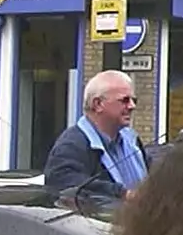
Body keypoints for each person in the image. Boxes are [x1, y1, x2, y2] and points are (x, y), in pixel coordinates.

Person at [45, 69, 148, 209]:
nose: (132, 106)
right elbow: (64, 185)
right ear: (98, 104)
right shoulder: (72, 145)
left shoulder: (132, 141)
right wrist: (123, 194)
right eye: (124, 100)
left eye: (133, 100)